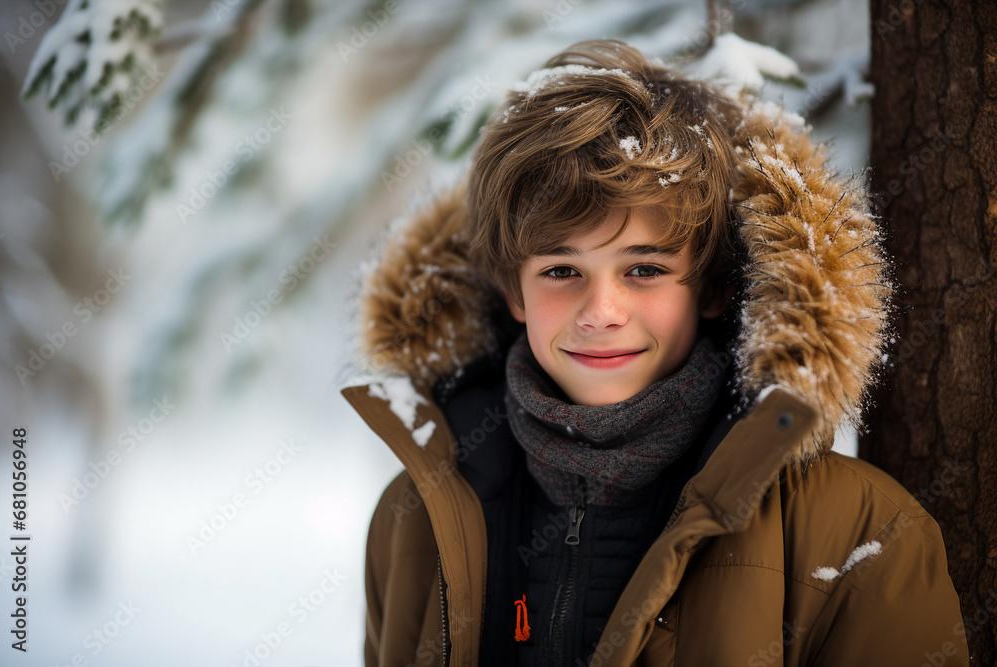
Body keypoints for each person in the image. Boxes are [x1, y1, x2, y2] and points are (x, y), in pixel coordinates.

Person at [344, 39, 967, 666]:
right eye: (562, 270)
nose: (601, 311)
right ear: (513, 291)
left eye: (643, 269)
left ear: (714, 287)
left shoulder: (859, 532)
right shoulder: (411, 521)